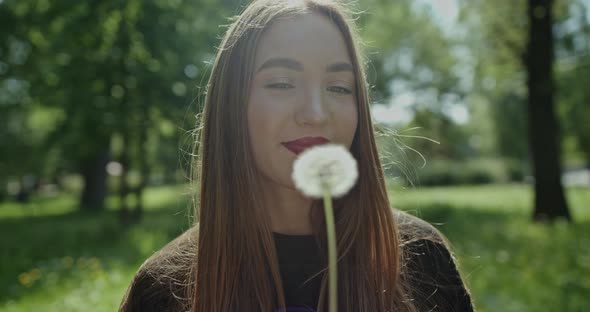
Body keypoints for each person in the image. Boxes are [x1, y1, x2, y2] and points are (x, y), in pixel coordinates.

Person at [119, 0, 475, 311]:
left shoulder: (421, 258)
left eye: (338, 87)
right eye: (281, 83)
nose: (316, 113)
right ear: (231, 105)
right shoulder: (164, 287)